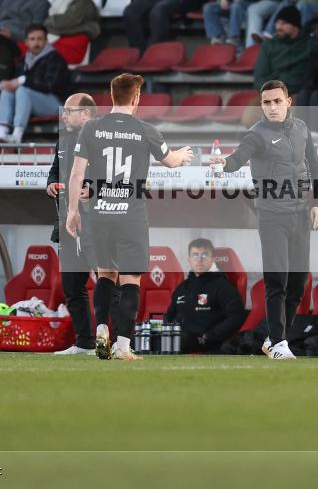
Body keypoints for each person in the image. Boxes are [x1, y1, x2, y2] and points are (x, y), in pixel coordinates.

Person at [66, 73, 195, 361]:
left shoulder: (91, 128)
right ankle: (122, 344)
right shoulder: (146, 130)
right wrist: (183, 154)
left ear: (111, 96)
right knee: (130, 279)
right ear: (136, 98)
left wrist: (73, 212)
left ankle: (102, 328)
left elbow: (76, 174)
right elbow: (171, 162)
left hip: (99, 214)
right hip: (130, 215)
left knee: (105, 274)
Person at [209, 79, 318, 360]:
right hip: (272, 216)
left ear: (288, 102)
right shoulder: (256, 134)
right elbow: (238, 158)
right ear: (261, 105)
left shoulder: (301, 128)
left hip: (301, 215)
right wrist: (224, 164)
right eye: (266, 102)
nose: (272, 107)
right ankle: (279, 342)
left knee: (298, 283)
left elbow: (315, 165)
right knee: (277, 280)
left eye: (277, 101)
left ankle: (273, 339)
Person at [48, 92, 98, 356]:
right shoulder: (64, 140)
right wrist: (51, 184)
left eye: (69, 111)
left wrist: (95, 189)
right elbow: (55, 171)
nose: (64, 116)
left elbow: (115, 175)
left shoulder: (103, 139)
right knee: (71, 285)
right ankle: (84, 343)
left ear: (87, 113)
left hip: (97, 223)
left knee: (108, 284)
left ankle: (117, 341)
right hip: (68, 223)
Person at [164, 238, 247, 353]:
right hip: (179, 338)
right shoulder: (182, 288)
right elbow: (169, 315)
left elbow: (236, 316)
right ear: (189, 259)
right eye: (195, 255)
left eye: (204, 255)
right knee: (143, 338)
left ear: (212, 259)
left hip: (206, 342)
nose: (199, 259)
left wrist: (209, 336)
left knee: (177, 341)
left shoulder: (223, 286)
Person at [0, 23, 69, 143]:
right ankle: (2, 133)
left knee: (22, 89)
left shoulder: (55, 58)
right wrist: (7, 84)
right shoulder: (23, 60)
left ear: (46, 41)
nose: (36, 43)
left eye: (40, 39)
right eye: (32, 39)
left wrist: (23, 80)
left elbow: (50, 85)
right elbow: (15, 84)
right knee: (7, 90)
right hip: (30, 102)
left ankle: (17, 135)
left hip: (56, 103)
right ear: (26, 42)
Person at [252, 6, 314, 96]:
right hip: (272, 94)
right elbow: (259, 77)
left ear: (295, 26)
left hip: (299, 93)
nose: (279, 27)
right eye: (277, 23)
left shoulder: (310, 44)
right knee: (253, 105)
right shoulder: (268, 46)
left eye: (284, 23)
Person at [43, 0, 101, 65]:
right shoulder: (59, 3)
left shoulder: (82, 2)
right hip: (62, 40)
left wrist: (48, 22)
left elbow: (63, 23)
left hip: (74, 43)